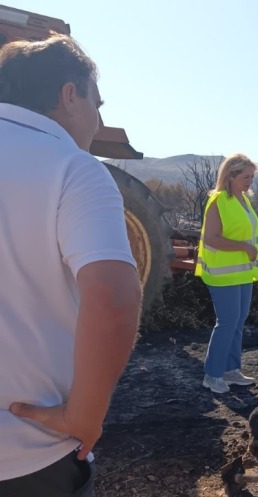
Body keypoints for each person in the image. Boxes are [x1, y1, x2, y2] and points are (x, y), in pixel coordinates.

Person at [0, 34, 142, 497]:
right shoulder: (72, 168)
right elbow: (114, 299)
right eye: (96, 102)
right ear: (69, 95)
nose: (98, 120)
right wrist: (84, 415)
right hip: (27, 455)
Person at [196, 153, 258, 394]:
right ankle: (212, 374)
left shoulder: (244, 200)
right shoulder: (219, 200)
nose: (250, 181)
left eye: (252, 176)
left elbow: (251, 237)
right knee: (227, 322)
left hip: (242, 273)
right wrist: (244, 248)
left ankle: (230, 370)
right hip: (222, 273)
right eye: (246, 176)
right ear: (230, 176)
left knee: (237, 322)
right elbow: (211, 239)